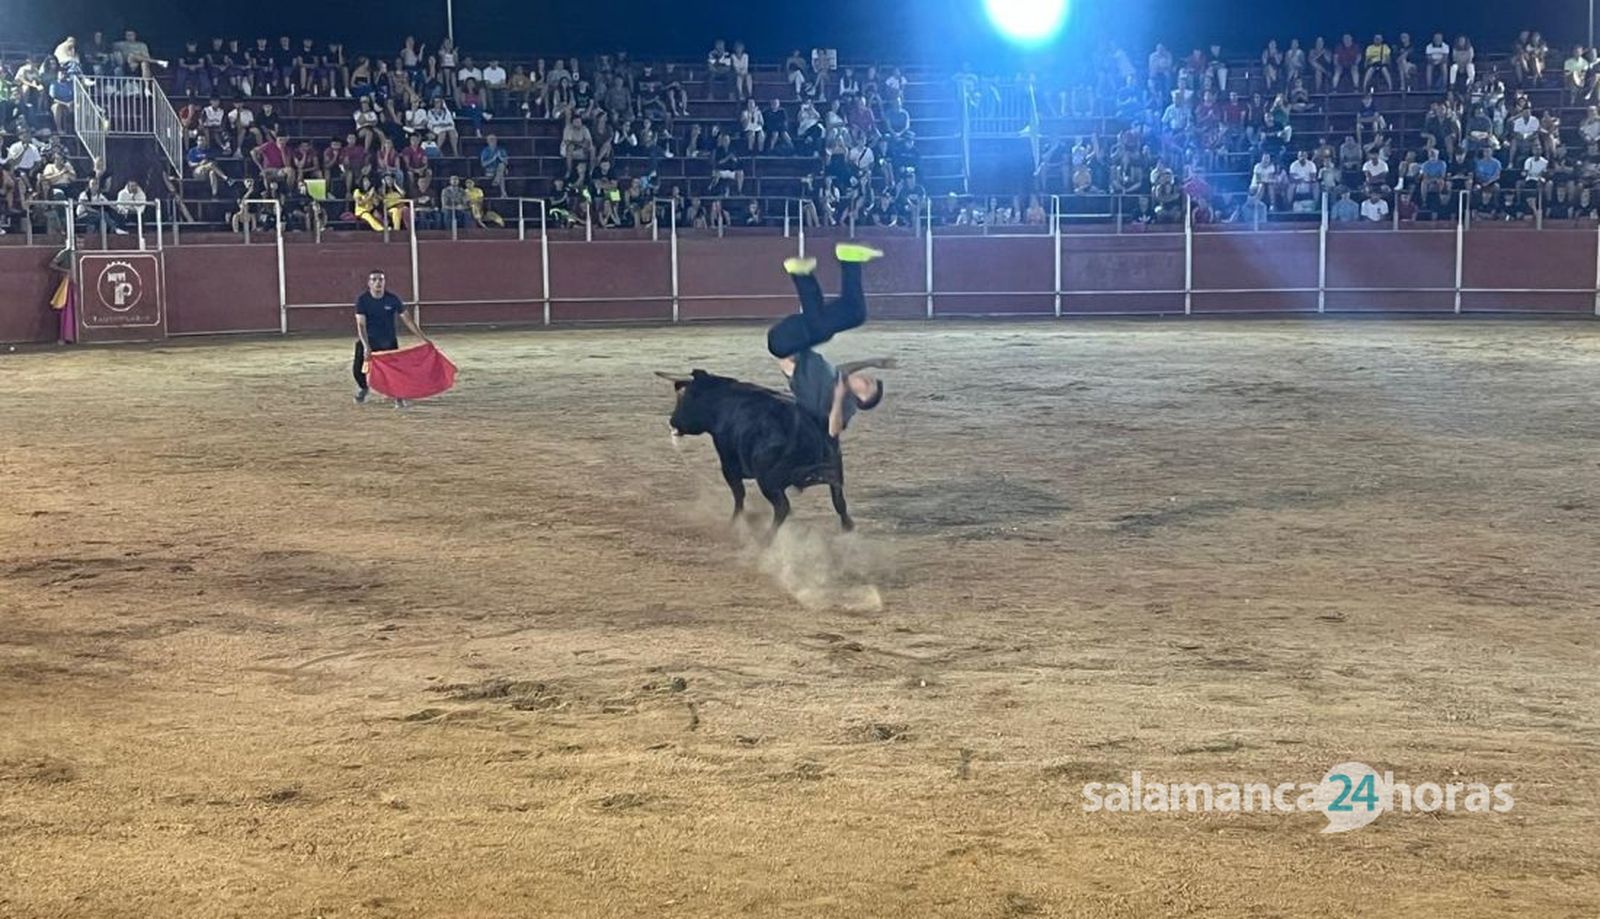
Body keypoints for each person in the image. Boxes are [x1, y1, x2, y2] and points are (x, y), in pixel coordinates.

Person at [766, 243, 891, 439]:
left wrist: (839, 397)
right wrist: (872, 361)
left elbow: (832, 431)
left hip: (784, 346)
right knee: (854, 314)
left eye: (867, 385)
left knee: (823, 331)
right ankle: (846, 261)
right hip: (798, 336)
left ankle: (802, 274)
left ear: (860, 401)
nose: (866, 378)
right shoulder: (837, 377)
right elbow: (845, 370)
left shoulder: (846, 406)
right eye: (870, 378)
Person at [353, 269, 427, 407]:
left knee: (394, 372)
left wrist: (423, 338)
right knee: (358, 371)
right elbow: (361, 325)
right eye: (374, 280)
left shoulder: (392, 299)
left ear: (384, 282)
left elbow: (408, 321)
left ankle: (398, 397)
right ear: (369, 283)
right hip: (368, 340)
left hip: (388, 341)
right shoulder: (362, 300)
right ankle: (363, 388)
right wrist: (366, 346)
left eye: (381, 279)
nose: (378, 283)